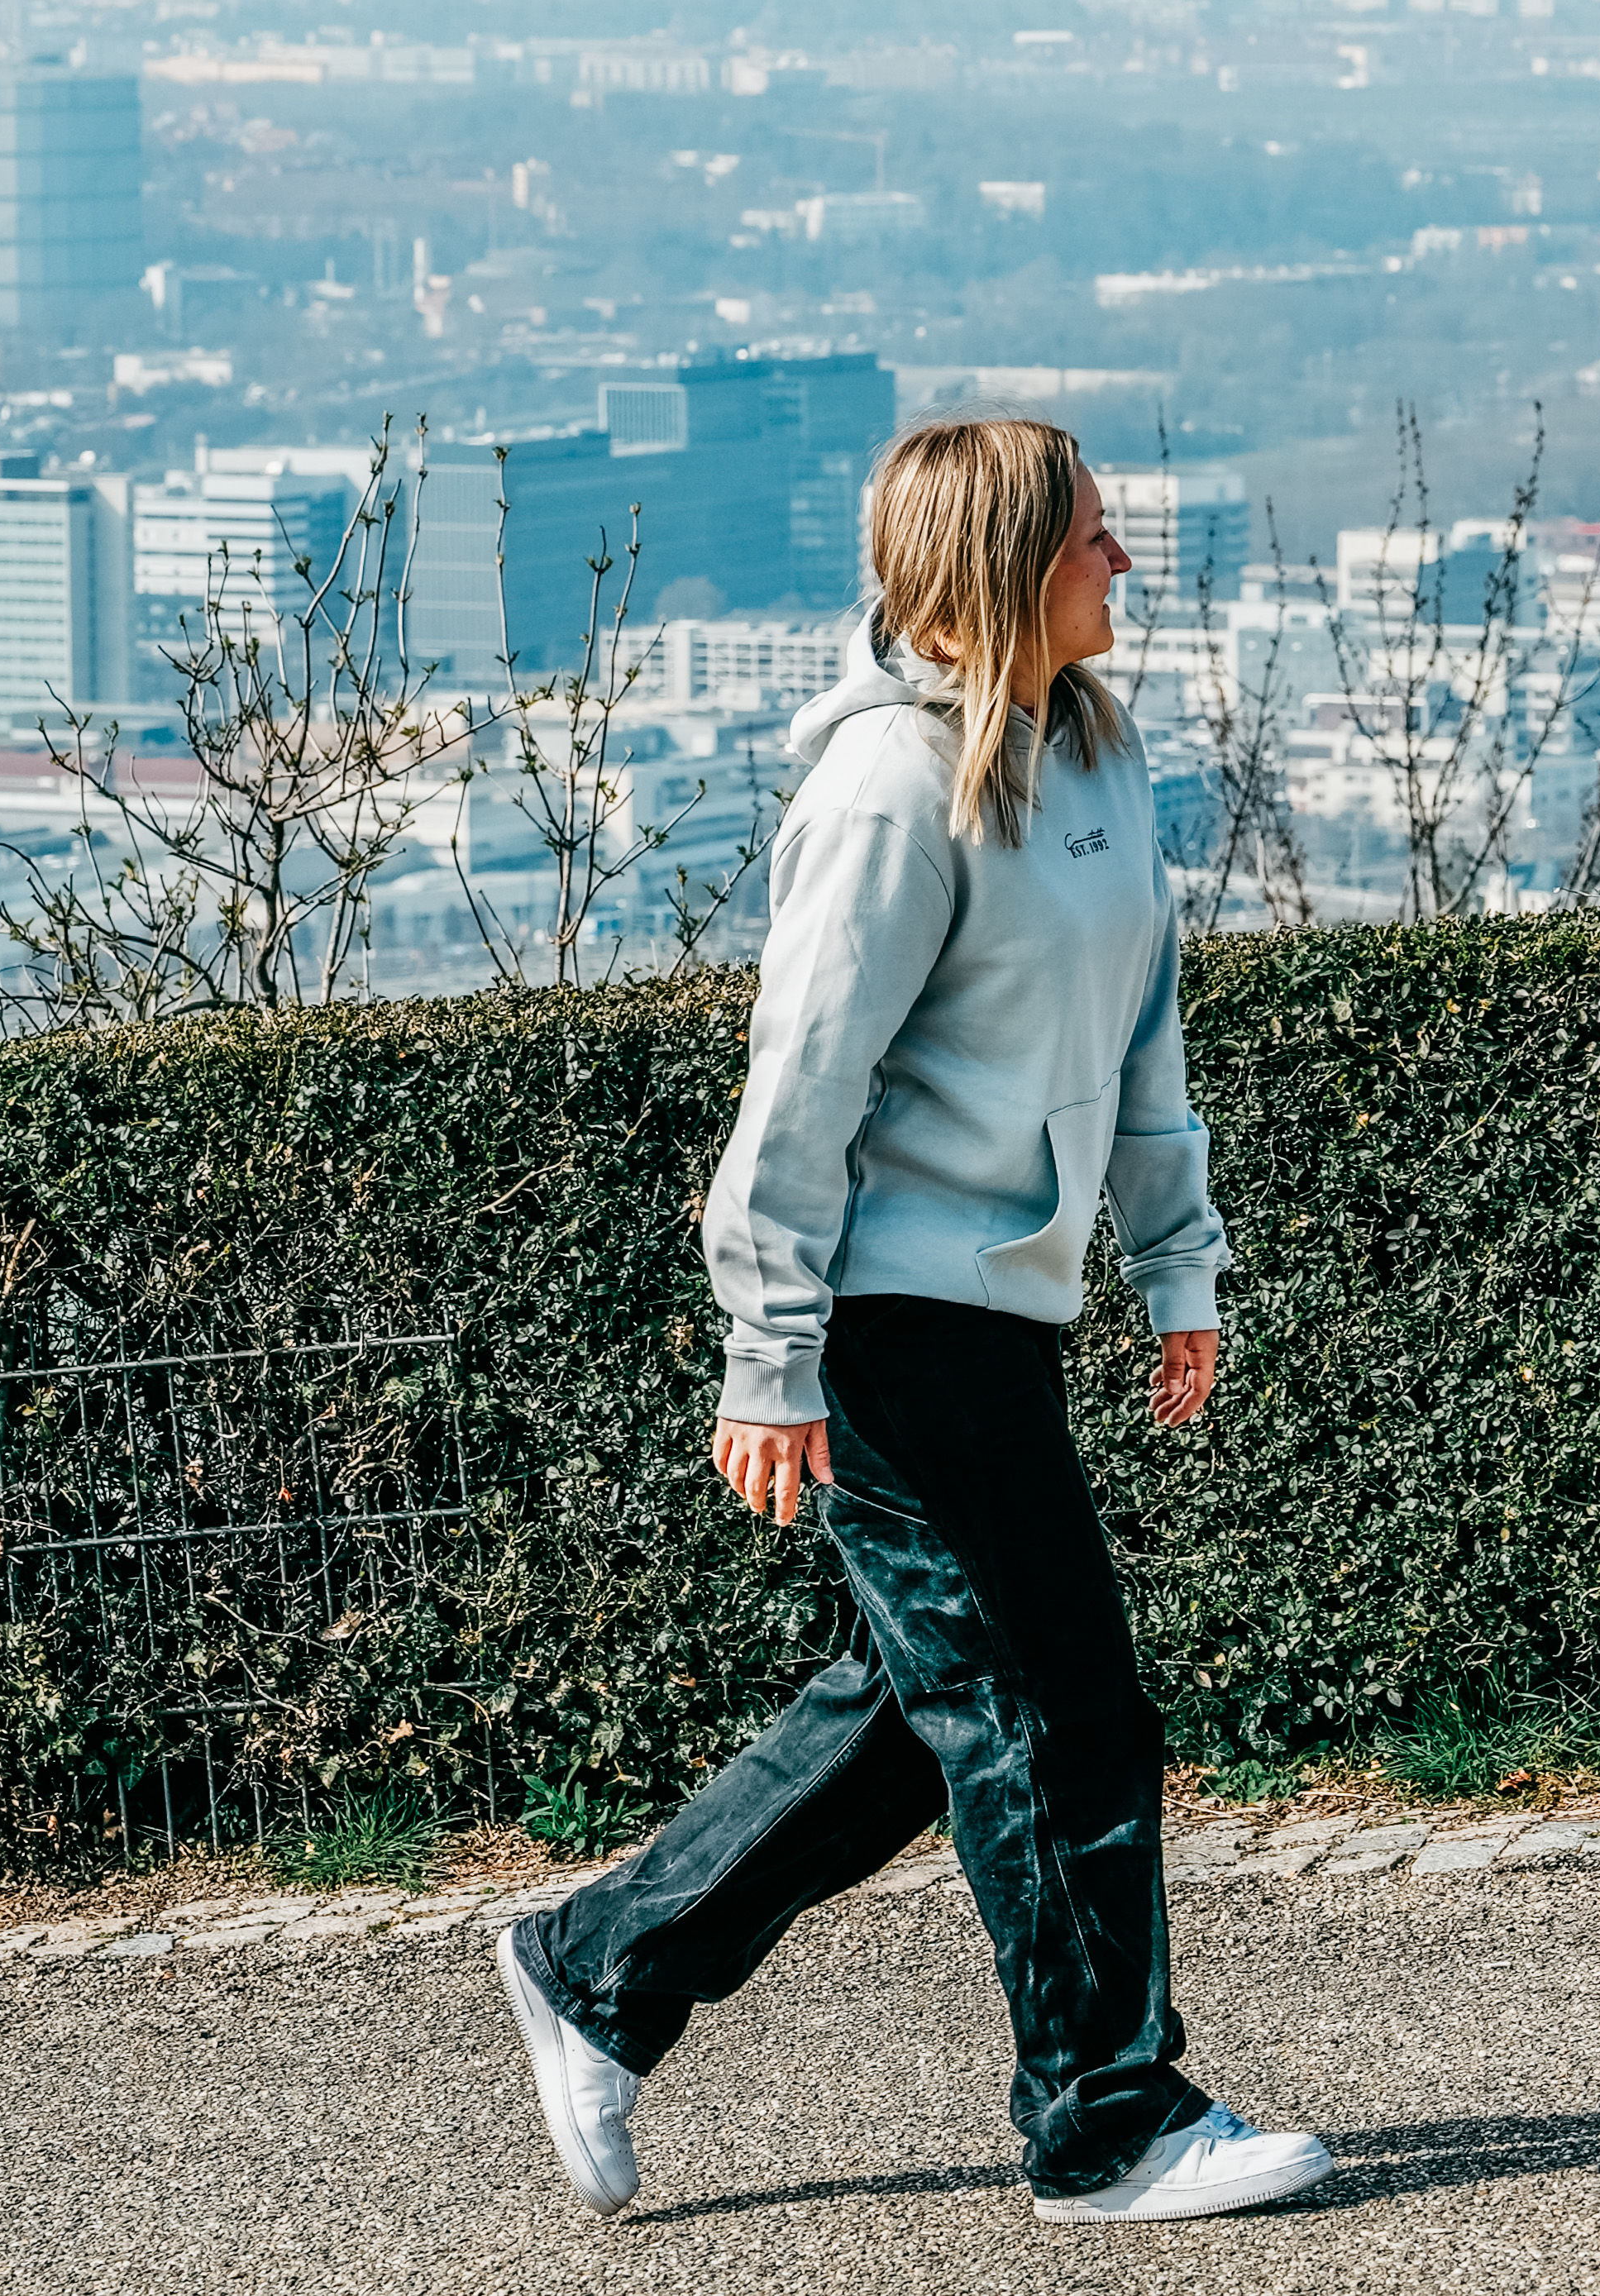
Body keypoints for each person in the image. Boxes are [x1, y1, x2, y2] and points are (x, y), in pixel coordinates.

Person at [498, 416, 1335, 2229]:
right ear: (1004, 566)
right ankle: (1106, 2124)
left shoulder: (1092, 749)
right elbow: (796, 1091)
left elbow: (1142, 1042)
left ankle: (600, 1965)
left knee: (926, 1703)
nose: (1125, 561)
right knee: (1059, 1712)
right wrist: (769, 1357)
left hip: (998, 1308)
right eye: (1094, 536)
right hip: (892, 1317)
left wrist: (1176, 1266)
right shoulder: (888, 788)